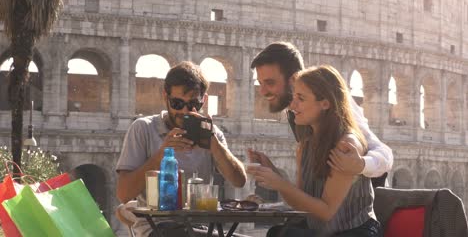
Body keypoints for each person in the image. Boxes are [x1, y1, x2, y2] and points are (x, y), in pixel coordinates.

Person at [247, 65, 382, 236]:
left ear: (325, 103)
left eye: (301, 98)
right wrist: (274, 174)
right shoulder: (306, 145)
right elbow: (300, 202)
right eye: (293, 96)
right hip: (323, 232)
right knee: (277, 233)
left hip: (355, 232)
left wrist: (279, 183)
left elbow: (326, 211)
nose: (292, 105)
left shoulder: (346, 145)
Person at [116, 61, 246, 237]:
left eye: (193, 104)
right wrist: (161, 154)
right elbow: (124, 194)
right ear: (165, 97)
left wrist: (213, 143)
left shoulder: (211, 133)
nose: (185, 111)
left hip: (200, 228)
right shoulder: (143, 128)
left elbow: (239, 180)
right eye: (177, 103)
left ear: (204, 100)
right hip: (158, 229)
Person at [249, 42, 393, 185]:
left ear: (293, 79)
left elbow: (384, 153)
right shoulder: (297, 111)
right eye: (260, 83)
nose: (262, 91)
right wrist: (274, 174)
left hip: (365, 202)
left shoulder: (329, 98)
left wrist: (361, 164)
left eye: (270, 83)